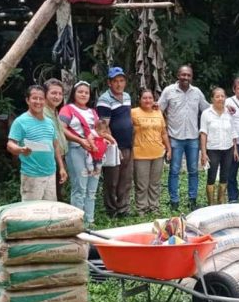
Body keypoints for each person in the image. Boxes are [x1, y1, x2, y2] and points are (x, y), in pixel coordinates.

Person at [159, 65, 210, 211]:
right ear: (178, 75)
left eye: (188, 75)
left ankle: (192, 200)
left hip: (193, 138)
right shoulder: (169, 91)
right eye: (183, 75)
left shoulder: (197, 93)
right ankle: (174, 201)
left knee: (193, 170)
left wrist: (224, 108)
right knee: (174, 170)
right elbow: (159, 110)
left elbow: (207, 109)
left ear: (191, 76)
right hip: (175, 137)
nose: (185, 77)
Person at [6, 85, 67, 201]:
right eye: (34, 98)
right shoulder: (20, 121)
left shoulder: (49, 122)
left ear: (45, 100)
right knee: (32, 211)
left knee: (49, 209)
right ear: (27, 100)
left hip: (51, 173)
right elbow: (10, 144)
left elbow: (55, 146)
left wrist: (62, 168)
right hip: (31, 175)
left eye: (41, 99)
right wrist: (20, 149)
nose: (38, 102)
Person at [59, 81, 106, 226]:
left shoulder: (93, 112)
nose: (83, 94)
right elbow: (62, 129)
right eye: (80, 91)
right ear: (74, 93)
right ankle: (77, 223)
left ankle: (89, 220)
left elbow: (100, 131)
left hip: (95, 153)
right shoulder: (67, 109)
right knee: (80, 188)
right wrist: (80, 140)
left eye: (86, 92)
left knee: (92, 189)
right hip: (76, 150)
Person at [96, 66, 134, 218]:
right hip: (113, 146)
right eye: (115, 81)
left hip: (127, 145)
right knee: (112, 180)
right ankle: (112, 210)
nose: (119, 84)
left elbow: (128, 118)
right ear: (109, 83)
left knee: (125, 178)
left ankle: (123, 208)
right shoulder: (104, 100)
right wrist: (114, 146)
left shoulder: (126, 96)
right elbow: (104, 127)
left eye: (121, 80)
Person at [131, 89, 171, 216]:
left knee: (155, 183)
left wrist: (168, 148)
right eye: (144, 98)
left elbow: (163, 133)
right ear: (140, 99)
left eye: (150, 98)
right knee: (141, 184)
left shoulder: (158, 112)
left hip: (158, 153)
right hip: (140, 153)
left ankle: (154, 207)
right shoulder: (133, 112)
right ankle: (141, 208)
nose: (147, 100)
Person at [200, 87, 239, 205]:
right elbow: (203, 133)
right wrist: (203, 153)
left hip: (228, 148)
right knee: (211, 176)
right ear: (212, 99)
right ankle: (211, 203)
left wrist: (235, 149)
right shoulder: (206, 113)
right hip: (212, 149)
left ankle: (221, 200)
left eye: (222, 96)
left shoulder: (229, 113)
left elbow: (233, 132)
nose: (220, 99)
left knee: (225, 175)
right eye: (217, 96)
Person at [43, 78, 68, 201]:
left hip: (60, 157)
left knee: (58, 191)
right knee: (50, 193)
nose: (57, 97)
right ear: (45, 94)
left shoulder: (54, 111)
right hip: (49, 159)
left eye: (60, 94)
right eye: (53, 93)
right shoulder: (42, 112)